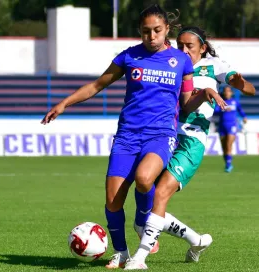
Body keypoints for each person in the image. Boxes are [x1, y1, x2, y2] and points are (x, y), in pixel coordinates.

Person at [41, 5, 222, 269]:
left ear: (166, 30)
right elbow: (96, 85)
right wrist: (64, 104)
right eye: (146, 31)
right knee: (113, 201)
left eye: (157, 31)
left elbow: (185, 103)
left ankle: (142, 223)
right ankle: (122, 253)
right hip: (127, 136)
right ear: (139, 31)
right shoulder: (129, 57)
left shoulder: (181, 61)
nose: (151, 36)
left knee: (144, 178)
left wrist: (203, 94)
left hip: (160, 135)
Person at [124, 26, 255, 270]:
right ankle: (197, 240)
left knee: (160, 194)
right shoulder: (171, 63)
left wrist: (238, 82)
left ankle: (139, 258)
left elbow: (250, 89)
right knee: (146, 195)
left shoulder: (213, 66)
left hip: (191, 140)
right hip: (164, 135)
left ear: (203, 48)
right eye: (180, 45)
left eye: (190, 46)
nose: (184, 50)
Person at [215, 86, 248, 172]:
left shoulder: (235, 102)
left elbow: (240, 110)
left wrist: (244, 117)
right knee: (224, 147)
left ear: (231, 93)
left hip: (232, 126)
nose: (227, 93)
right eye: (225, 91)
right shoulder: (221, 102)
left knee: (228, 145)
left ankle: (229, 165)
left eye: (228, 91)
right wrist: (224, 109)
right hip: (222, 126)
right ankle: (227, 163)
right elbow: (215, 111)